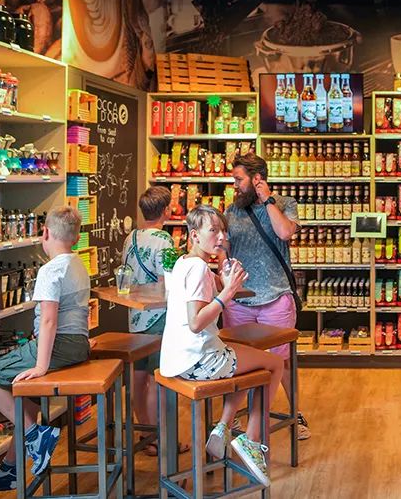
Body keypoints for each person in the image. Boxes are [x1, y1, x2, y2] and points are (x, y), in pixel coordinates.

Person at [160, 205, 283, 486]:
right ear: (194, 235)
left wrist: (224, 282)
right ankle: (251, 439)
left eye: (223, 231)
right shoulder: (198, 269)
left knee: (248, 364)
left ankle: (224, 427)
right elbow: (196, 322)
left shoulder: (184, 263)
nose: (221, 237)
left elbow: (203, 293)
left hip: (176, 359)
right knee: (274, 364)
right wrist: (227, 292)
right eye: (213, 230)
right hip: (199, 360)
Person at [0, 207, 91, 492]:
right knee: (23, 402)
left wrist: (40, 365)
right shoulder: (78, 263)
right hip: (77, 344)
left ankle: (36, 436)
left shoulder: (50, 270)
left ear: (45, 233)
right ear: (76, 238)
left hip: (57, 344)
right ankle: (10, 468)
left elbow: (49, 320)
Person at [223, 152, 309, 439]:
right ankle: (236, 419)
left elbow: (284, 233)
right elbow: (224, 247)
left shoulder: (285, 204)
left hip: (276, 298)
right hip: (239, 302)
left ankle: (295, 414)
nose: (234, 185)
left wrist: (267, 199)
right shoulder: (232, 210)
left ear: (257, 179)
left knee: (282, 361)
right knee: (238, 360)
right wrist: (224, 266)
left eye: (239, 179)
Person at [120, 185, 184, 456]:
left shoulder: (131, 237)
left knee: (138, 377)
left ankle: (146, 436)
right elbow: (167, 281)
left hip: (136, 315)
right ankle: (164, 438)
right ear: (166, 210)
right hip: (159, 315)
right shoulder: (164, 240)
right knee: (159, 378)